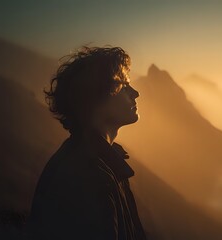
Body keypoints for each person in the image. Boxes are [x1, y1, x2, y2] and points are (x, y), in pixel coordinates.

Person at [26, 46, 147, 240]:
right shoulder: (89, 176)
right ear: (97, 98)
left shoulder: (98, 162)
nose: (135, 93)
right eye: (124, 85)